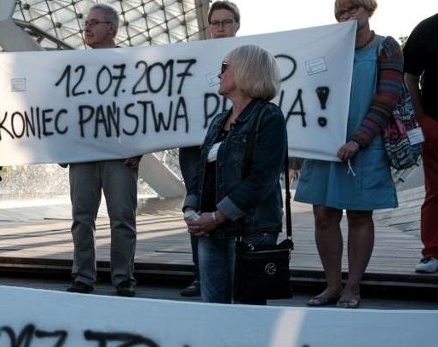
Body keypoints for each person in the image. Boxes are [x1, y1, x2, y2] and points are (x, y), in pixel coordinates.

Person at [294, 0, 402, 308]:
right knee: (323, 214)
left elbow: (387, 100)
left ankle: (353, 287)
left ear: (369, 9)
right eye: (342, 11)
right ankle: (332, 285)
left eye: (354, 7)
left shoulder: (386, 48)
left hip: (364, 146)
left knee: (359, 214)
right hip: (324, 144)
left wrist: (358, 140)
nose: (348, 15)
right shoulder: (327, 49)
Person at [183, 45, 287, 304]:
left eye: (224, 68)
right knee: (213, 310)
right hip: (210, 230)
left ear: (244, 70)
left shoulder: (269, 116)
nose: (219, 75)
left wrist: (217, 216)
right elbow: (202, 171)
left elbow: (262, 180)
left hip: (249, 230)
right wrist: (191, 208)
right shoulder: (219, 120)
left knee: (247, 312)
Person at [66, 4, 140, 297]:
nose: (87, 27)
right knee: (81, 218)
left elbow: (143, 109)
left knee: (122, 217)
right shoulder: (72, 67)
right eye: (86, 23)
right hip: (82, 155)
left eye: (94, 23)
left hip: (120, 155)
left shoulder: (131, 64)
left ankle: (123, 279)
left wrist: (141, 148)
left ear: (112, 28)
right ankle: (83, 276)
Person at [178, 0, 241, 298]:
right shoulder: (191, 57)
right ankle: (201, 275)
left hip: (234, 141)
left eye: (225, 22)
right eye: (215, 23)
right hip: (194, 146)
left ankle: (235, 272)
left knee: (232, 204)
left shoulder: (247, 58)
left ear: (237, 25)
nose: (219, 27)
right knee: (198, 204)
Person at [403, 12, 438, 273]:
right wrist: (419, 118)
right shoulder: (427, 28)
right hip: (434, 119)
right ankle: (432, 253)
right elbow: (409, 76)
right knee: (435, 190)